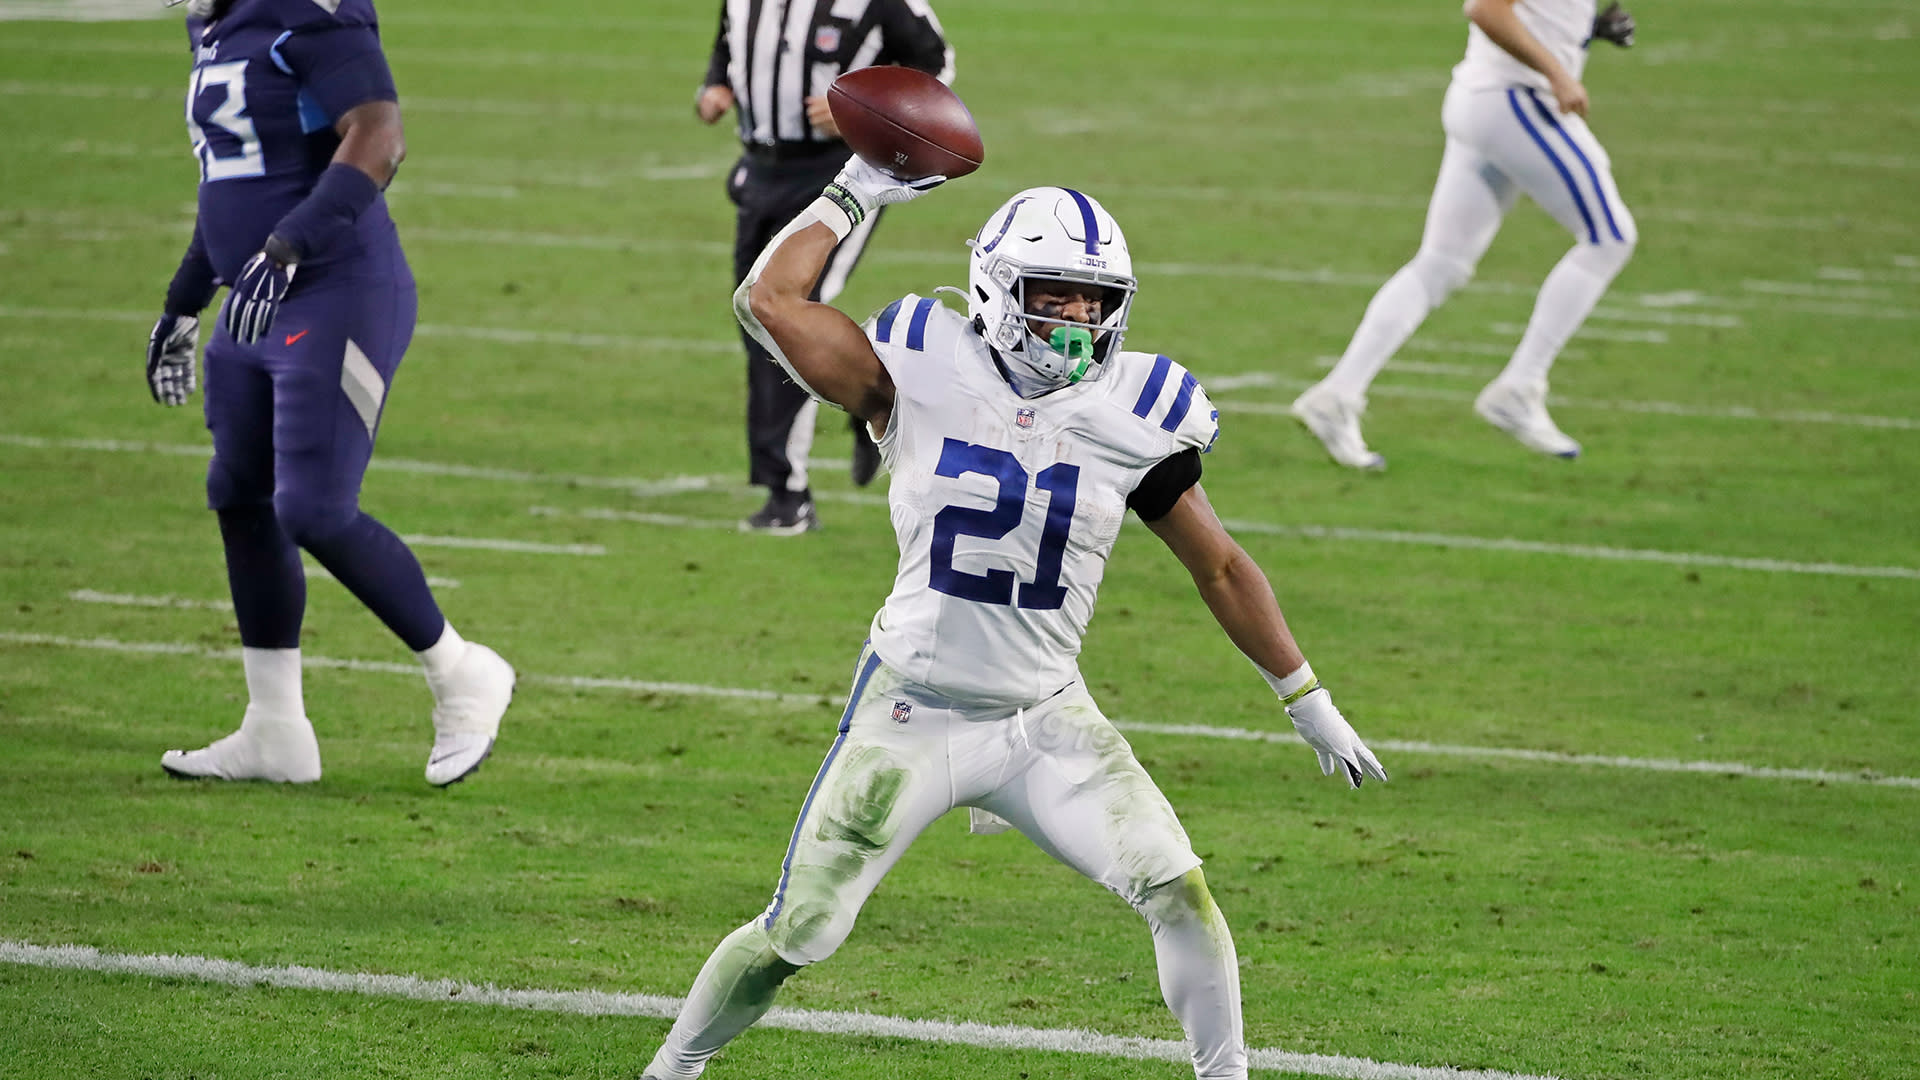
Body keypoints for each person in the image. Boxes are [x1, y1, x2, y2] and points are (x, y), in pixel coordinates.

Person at [639, 162, 1389, 1080]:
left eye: (1093, 299)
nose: (1075, 318)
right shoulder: (919, 367)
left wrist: (1303, 694)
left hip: (1045, 719)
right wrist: (859, 184)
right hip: (911, 710)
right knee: (801, 930)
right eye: (1055, 295)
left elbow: (1221, 564)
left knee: (1178, 887)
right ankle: (673, 1068)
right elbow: (770, 298)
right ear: (998, 288)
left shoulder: (1134, 412)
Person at [144, 0, 514, 786]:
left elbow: (381, 135)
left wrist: (288, 248)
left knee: (311, 507)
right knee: (238, 493)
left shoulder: (304, 11)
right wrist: (183, 300)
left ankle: (462, 672)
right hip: (255, 292)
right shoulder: (215, 27)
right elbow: (235, 185)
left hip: (335, 287)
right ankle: (274, 728)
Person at [1291, 0, 1639, 469]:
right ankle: (1521, 387)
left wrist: (1584, 29)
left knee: (1442, 263)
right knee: (1610, 236)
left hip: (1486, 99)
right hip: (1516, 99)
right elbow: (1485, 9)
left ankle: (1337, 394)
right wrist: (1558, 71)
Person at [695, 0, 953, 533]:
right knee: (754, 318)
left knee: (785, 319)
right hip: (758, 169)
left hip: (835, 176)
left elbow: (935, 66)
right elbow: (730, 43)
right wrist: (716, 85)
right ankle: (870, 396)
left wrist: (862, 112)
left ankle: (787, 493)